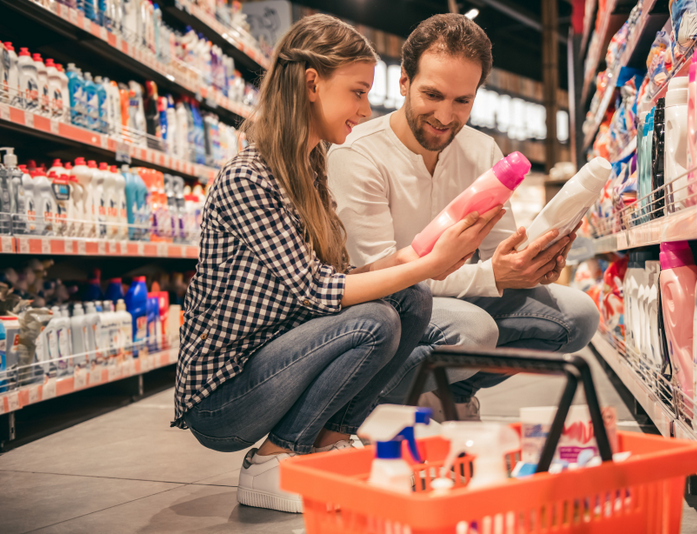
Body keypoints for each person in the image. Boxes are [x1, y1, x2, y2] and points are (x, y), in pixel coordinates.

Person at [172, 14, 502, 513]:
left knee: (409, 300)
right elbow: (317, 290)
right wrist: (430, 264)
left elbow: (345, 277)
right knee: (375, 320)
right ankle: (272, 460)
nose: (365, 108)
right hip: (225, 394)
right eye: (357, 92)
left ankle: (328, 443)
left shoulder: (309, 167)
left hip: (276, 360)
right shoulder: (250, 177)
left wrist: (427, 253)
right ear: (312, 84)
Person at [328, 13, 600, 420]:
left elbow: (500, 254)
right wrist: (492, 276)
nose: (444, 116)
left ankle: (450, 392)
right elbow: (376, 278)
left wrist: (533, 262)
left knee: (579, 316)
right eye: (432, 95)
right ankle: (369, 399)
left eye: (462, 101)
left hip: (458, 299)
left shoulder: (482, 150)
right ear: (404, 82)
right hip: (388, 309)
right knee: (474, 329)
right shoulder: (358, 154)